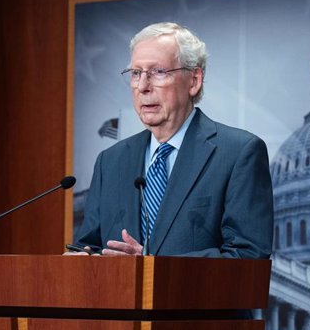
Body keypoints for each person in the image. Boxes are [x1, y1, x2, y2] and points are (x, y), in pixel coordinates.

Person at [72, 22, 273, 258]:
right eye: (136, 73)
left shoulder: (239, 153)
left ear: (194, 80)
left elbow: (248, 256)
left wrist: (152, 269)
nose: (143, 86)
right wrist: (82, 259)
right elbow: (91, 246)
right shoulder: (110, 161)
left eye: (158, 72)